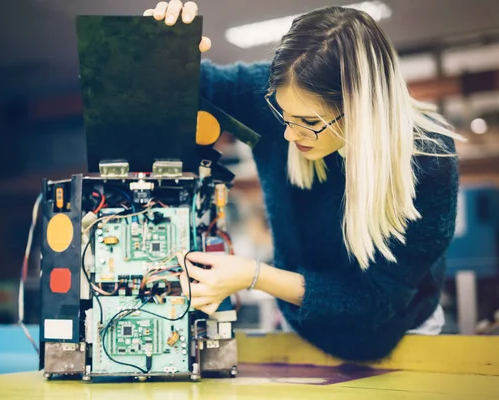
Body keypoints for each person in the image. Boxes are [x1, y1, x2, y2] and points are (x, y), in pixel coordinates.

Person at [144, 1, 462, 361]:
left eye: (309, 122)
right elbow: (193, 87)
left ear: (362, 109)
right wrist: (161, 50)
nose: (289, 133)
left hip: (398, 336)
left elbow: (374, 303)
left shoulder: (427, 161)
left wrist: (255, 276)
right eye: (283, 113)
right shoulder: (281, 100)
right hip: (304, 328)